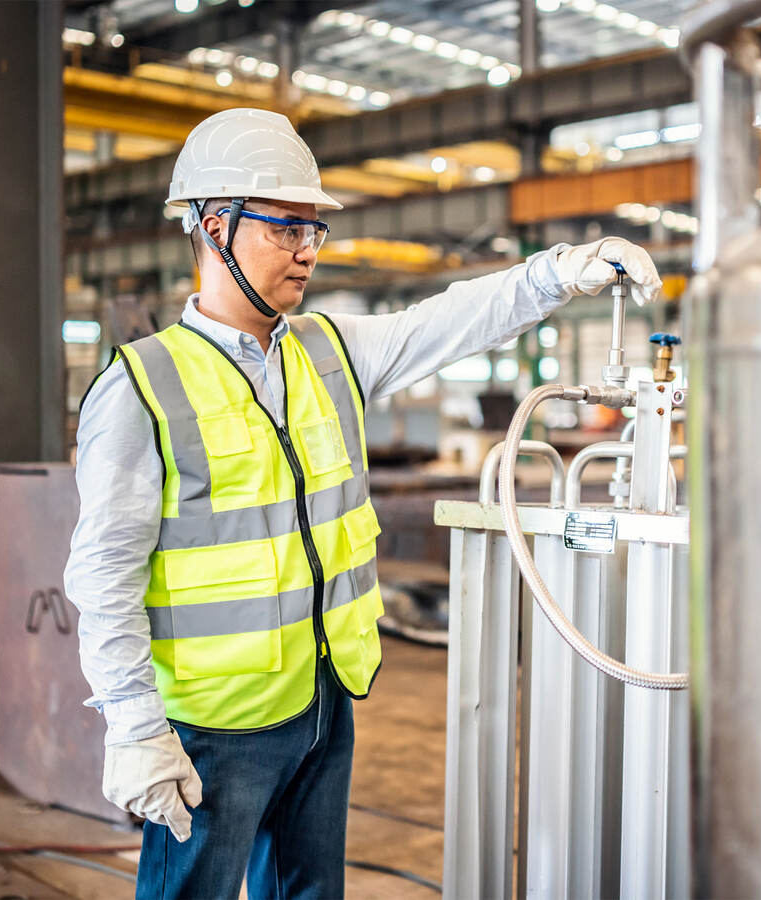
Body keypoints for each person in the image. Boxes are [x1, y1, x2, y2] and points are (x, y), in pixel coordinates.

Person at [64, 106, 662, 900]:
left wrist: (556, 272)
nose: (307, 252)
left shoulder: (329, 349)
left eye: (315, 232)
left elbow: (446, 321)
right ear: (214, 225)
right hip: (213, 729)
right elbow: (103, 571)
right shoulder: (142, 386)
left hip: (322, 699)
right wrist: (135, 725)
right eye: (286, 229)